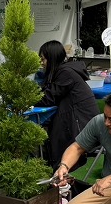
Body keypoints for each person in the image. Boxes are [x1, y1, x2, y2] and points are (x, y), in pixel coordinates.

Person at [35, 40, 99, 169]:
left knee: (59, 144)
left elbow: (48, 98)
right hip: (77, 118)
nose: (42, 63)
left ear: (52, 58)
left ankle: (61, 174)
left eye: (43, 59)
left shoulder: (65, 73)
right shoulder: (64, 71)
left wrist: (26, 97)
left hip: (80, 122)